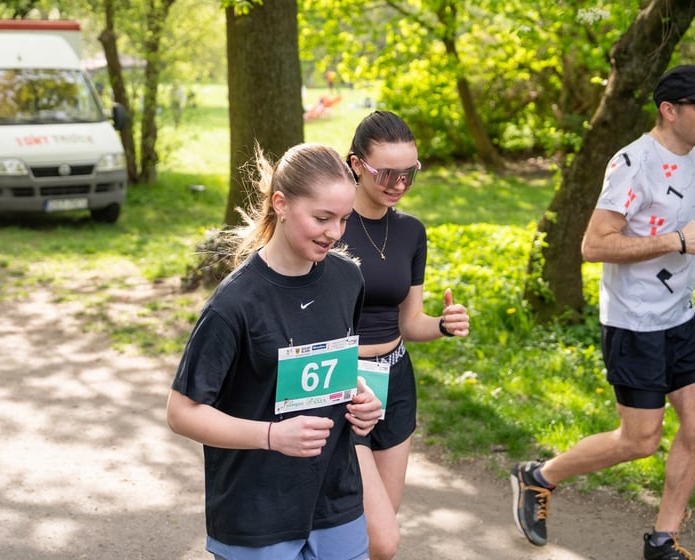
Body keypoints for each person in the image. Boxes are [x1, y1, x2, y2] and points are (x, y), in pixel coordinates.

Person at [510, 64, 695, 560]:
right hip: (634, 324)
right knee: (640, 440)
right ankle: (539, 476)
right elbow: (594, 246)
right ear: (669, 110)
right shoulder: (631, 163)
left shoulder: (691, 155)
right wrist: (678, 241)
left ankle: (662, 541)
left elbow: (671, 217)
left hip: (678, 315)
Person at [166, 142, 384, 560]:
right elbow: (181, 412)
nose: (335, 233)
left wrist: (362, 396)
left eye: (343, 219)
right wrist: (271, 435)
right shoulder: (233, 304)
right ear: (280, 204)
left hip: (335, 499)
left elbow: (333, 363)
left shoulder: (347, 279)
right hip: (256, 511)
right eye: (321, 218)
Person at [341, 110, 471, 560]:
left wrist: (442, 325)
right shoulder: (329, 226)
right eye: (387, 173)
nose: (399, 183)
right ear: (356, 165)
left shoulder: (411, 231)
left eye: (409, 173)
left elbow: (409, 322)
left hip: (395, 379)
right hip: (344, 384)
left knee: (379, 536)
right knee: (379, 536)